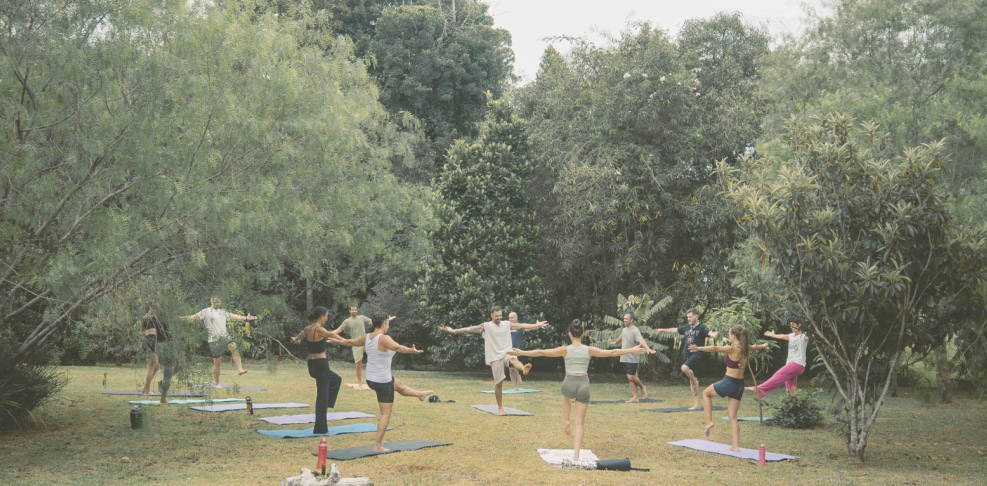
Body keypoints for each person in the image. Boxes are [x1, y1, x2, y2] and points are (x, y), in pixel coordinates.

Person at [509, 319, 653, 459]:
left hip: (569, 384)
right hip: (583, 385)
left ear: (570, 334)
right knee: (580, 423)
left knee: (565, 394)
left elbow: (541, 352)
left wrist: (521, 352)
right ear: (582, 334)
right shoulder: (589, 350)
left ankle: (566, 421)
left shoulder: (565, 350)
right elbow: (612, 353)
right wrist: (632, 349)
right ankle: (576, 455)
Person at [329, 312, 432, 452]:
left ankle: (420, 394)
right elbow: (397, 347)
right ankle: (377, 446)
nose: (388, 326)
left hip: (371, 379)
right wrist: (411, 351)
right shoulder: (384, 338)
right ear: (384, 324)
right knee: (385, 414)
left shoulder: (367, 337)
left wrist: (337, 341)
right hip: (383, 381)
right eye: (387, 323)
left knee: (399, 385)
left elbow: (350, 342)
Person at [441, 305, 548, 414]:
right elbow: (469, 329)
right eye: (496, 316)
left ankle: (524, 369)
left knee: (513, 360)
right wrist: (454, 331)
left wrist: (537, 325)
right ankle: (500, 408)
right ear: (491, 315)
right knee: (499, 384)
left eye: (500, 315)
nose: (499, 317)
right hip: (494, 357)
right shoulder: (486, 326)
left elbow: (521, 325)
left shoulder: (506, 324)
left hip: (507, 351)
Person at [689, 325, 766, 452]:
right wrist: (763, 346)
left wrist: (699, 348)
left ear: (734, 336)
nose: (729, 336)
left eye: (730, 334)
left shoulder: (732, 349)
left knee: (706, 393)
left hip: (729, 382)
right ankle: (735, 446)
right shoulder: (747, 348)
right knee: (733, 417)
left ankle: (709, 422)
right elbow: (756, 347)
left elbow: (715, 348)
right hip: (739, 385)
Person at [291, 306, 343, 434]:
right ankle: (320, 428)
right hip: (321, 365)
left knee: (336, 379)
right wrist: (348, 341)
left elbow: (300, 335)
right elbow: (331, 334)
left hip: (312, 365)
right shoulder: (320, 329)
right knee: (322, 397)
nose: (326, 318)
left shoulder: (307, 329)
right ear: (321, 316)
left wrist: (296, 339)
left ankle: (327, 403)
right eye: (326, 316)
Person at [184, 297, 256, 387]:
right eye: (215, 301)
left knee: (233, 346)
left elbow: (235, 316)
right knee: (217, 362)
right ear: (211, 302)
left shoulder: (223, 312)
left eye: (218, 301)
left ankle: (240, 369)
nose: (217, 302)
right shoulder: (206, 311)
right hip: (214, 339)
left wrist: (246, 318)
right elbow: (194, 317)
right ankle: (217, 383)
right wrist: (183, 319)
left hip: (225, 336)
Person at [656, 308, 718, 409]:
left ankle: (695, 380)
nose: (688, 319)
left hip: (697, 354)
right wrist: (662, 330)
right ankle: (696, 404)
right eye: (687, 317)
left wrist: (718, 335)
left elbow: (710, 333)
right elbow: (674, 330)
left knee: (684, 368)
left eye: (690, 317)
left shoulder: (702, 327)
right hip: (687, 354)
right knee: (691, 381)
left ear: (696, 316)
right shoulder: (686, 327)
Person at [746, 321, 809, 398]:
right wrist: (773, 335)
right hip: (791, 364)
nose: (791, 328)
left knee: (778, 375)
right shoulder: (791, 336)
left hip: (798, 363)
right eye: (790, 326)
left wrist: (811, 335)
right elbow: (782, 336)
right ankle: (792, 402)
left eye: (793, 326)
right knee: (790, 386)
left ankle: (759, 389)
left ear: (799, 325)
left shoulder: (803, 336)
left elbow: (809, 337)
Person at [608, 311, 654, 402]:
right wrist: (616, 342)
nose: (624, 320)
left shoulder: (635, 330)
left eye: (626, 319)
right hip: (624, 356)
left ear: (632, 320)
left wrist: (648, 348)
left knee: (630, 376)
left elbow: (641, 340)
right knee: (630, 378)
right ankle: (635, 397)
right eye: (624, 319)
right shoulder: (624, 329)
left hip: (632, 357)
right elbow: (621, 337)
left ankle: (642, 387)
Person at [332, 305, 372, 389]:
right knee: (358, 364)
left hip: (366, 342)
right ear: (349, 311)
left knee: (373, 360)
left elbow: (373, 322)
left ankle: (374, 381)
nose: (354, 311)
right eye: (353, 310)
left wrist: (384, 320)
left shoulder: (362, 318)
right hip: (355, 344)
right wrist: (327, 334)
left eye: (356, 310)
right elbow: (338, 330)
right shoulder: (347, 321)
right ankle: (360, 383)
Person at [140, 301, 166, 395]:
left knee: (157, 365)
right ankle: (147, 391)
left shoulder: (150, 317)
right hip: (150, 341)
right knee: (151, 367)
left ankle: (145, 388)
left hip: (152, 341)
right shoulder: (147, 317)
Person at [507, 312, 526, 391]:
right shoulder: (507, 327)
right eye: (509, 318)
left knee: (514, 367)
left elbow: (530, 327)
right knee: (511, 369)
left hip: (518, 350)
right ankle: (515, 386)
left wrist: (538, 325)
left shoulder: (520, 327)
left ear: (516, 317)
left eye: (512, 317)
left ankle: (518, 377)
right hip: (508, 349)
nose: (510, 319)